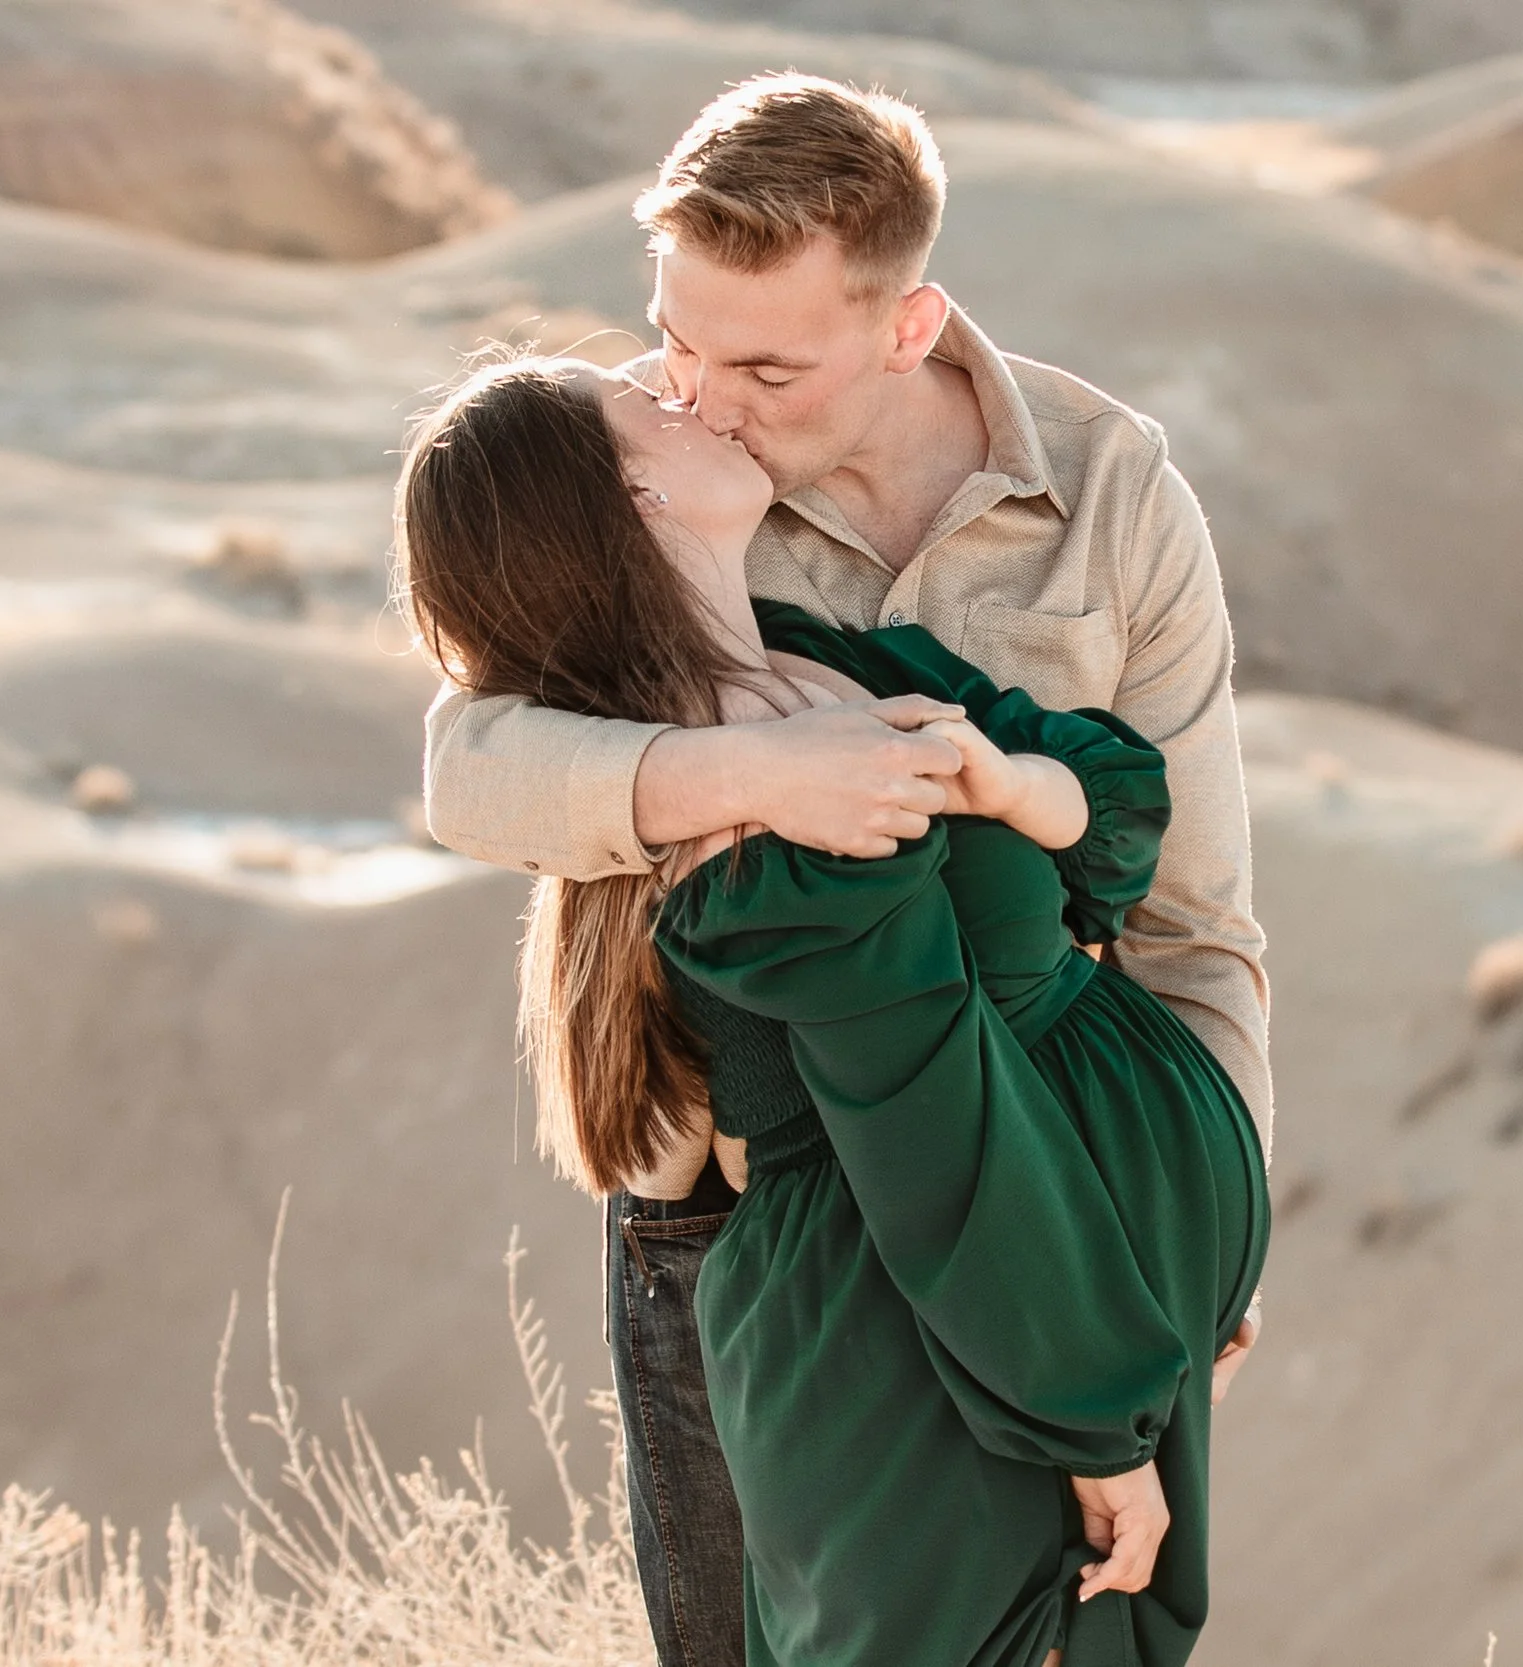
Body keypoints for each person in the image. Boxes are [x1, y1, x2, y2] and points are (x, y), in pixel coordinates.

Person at [419, 75, 1274, 1666]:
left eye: (760, 363)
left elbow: (1195, 916)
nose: (700, 389)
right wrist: (753, 773)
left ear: (905, 327)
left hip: (1056, 1220)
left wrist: (1207, 1269)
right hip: (751, 1223)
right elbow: (467, 771)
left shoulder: (1109, 498)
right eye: (673, 337)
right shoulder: (645, 469)